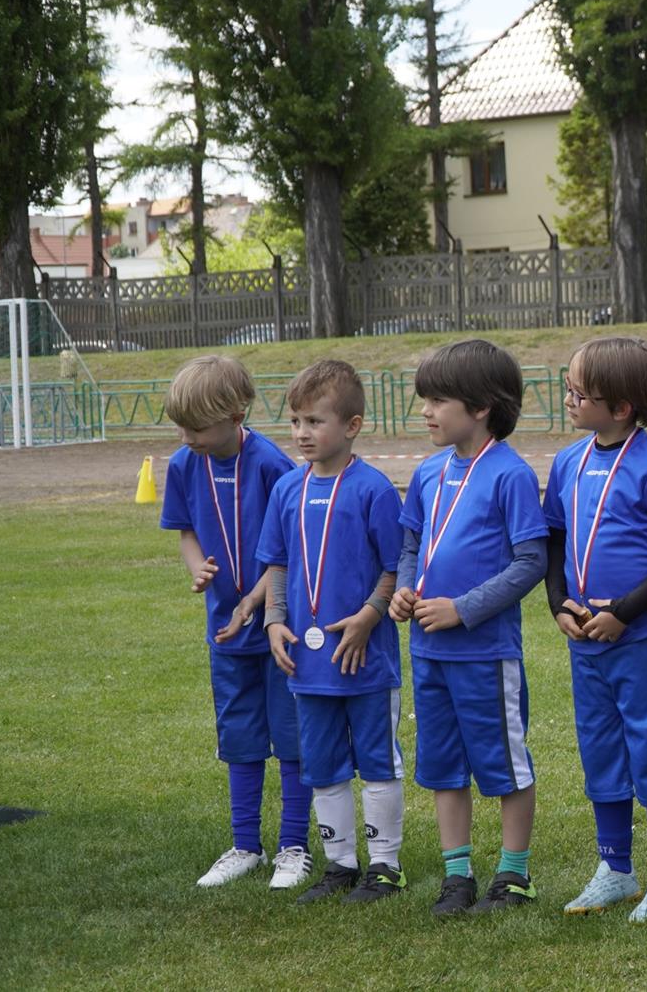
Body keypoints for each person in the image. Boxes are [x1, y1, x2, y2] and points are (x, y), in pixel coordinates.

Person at [541, 337, 647, 922]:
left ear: (622, 407)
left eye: (579, 393)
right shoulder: (568, 462)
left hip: (638, 637)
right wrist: (558, 603)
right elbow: (555, 538)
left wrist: (624, 611)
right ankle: (615, 868)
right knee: (599, 747)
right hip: (587, 638)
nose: (569, 400)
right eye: (569, 389)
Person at [390, 340, 547, 917]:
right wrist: (406, 588)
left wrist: (464, 609)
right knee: (441, 765)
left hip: (485, 653)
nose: (426, 411)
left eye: (438, 400)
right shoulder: (428, 472)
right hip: (429, 652)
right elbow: (412, 545)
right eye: (424, 399)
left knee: (504, 764)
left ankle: (514, 874)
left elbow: (531, 562)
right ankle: (457, 875)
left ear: (481, 407)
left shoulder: (510, 474)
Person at [256, 359, 407, 905]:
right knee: (321, 764)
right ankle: (340, 864)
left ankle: (385, 866)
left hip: (365, 661)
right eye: (296, 421)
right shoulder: (286, 490)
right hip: (309, 662)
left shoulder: (374, 491)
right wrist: (275, 619)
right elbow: (277, 564)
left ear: (352, 425)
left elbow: (395, 566)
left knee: (378, 760)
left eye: (315, 422)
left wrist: (369, 615)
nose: (302, 433)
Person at [160, 354, 312, 890]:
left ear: (236, 415)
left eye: (197, 427)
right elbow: (185, 530)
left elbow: (287, 552)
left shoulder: (272, 464)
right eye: (181, 427)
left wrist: (255, 601)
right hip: (225, 630)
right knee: (240, 736)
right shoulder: (183, 464)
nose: (187, 437)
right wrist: (196, 567)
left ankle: (294, 846)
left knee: (291, 736)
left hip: (279, 625)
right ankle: (246, 844)